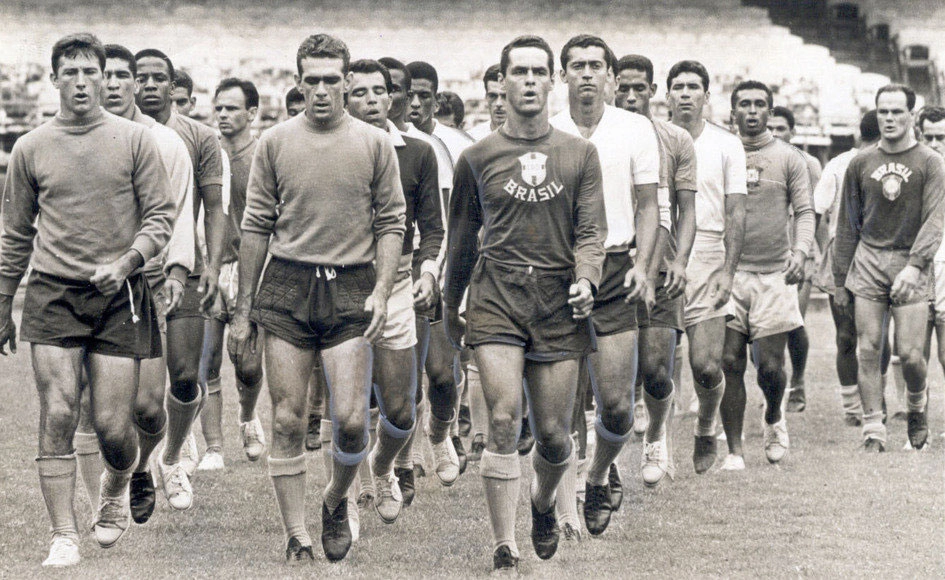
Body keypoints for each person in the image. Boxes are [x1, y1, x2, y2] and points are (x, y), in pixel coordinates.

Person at [229, 33, 406, 563]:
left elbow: (392, 223)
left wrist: (380, 289)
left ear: (347, 82)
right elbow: (256, 224)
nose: (323, 90)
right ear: (299, 81)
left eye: (333, 80)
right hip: (288, 284)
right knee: (287, 418)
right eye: (313, 80)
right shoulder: (276, 142)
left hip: (352, 284)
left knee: (352, 420)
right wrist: (243, 311)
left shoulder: (373, 143)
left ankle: (335, 499)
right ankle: (297, 536)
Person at [0, 33, 175, 568]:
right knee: (57, 410)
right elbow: (14, 234)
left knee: (111, 428)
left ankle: (117, 484)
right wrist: (4, 300)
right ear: (54, 79)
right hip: (53, 293)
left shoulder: (134, 141)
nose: (80, 82)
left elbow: (161, 218)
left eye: (90, 73)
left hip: (120, 294)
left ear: (104, 78)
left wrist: (126, 262)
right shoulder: (30, 147)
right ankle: (63, 535)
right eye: (69, 73)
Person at [445, 34, 606, 573]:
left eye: (540, 72)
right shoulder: (477, 157)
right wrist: (451, 302)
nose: (531, 81)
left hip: (559, 298)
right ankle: (503, 544)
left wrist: (587, 277)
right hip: (498, 295)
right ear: (503, 81)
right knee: (505, 417)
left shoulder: (579, 153)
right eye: (521, 72)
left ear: (552, 81)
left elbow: (590, 231)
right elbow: (463, 237)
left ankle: (542, 504)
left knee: (556, 435)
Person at [71, 43, 197, 527]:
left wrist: (178, 271)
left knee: (147, 406)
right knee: (87, 400)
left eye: (128, 75)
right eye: (115, 75)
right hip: (86, 285)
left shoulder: (164, 143)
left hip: (145, 283)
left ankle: (143, 466)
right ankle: (104, 501)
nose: (121, 84)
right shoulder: (78, 139)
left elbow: (179, 211)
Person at [548, 35, 661, 536]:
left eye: (597, 65)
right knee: (563, 402)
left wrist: (644, 263)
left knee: (615, 407)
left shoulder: (634, 129)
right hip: (556, 270)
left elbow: (649, 204)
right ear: (562, 75)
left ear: (611, 77)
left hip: (616, 269)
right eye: (578, 65)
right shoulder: (544, 129)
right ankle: (565, 501)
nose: (588, 74)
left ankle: (597, 474)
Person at [344, 58, 444, 522]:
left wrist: (427, 272)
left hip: (400, 281)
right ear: (347, 98)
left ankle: (383, 467)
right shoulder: (332, 147)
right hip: (341, 280)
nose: (370, 101)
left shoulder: (419, 153)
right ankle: (347, 495)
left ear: (391, 98)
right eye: (359, 92)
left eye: (378, 92)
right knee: (347, 403)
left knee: (401, 410)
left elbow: (434, 230)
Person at [135, 47, 227, 508]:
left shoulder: (200, 138)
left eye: (159, 78)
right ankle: (156, 460)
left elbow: (214, 208)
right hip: (136, 272)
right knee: (141, 391)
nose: (150, 85)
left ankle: (173, 455)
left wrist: (209, 265)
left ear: (174, 87)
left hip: (183, 265)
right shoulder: (120, 133)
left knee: (187, 374)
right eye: (141, 77)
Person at [833, 84, 945, 452]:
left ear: (912, 115)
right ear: (876, 114)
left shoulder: (930, 162)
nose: (890, 118)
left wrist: (915, 267)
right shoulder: (861, 162)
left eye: (897, 112)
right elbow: (847, 224)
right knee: (868, 348)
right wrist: (839, 280)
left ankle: (916, 407)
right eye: (883, 112)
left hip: (910, 259)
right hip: (869, 260)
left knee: (912, 355)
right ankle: (873, 428)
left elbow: (935, 220)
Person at [718, 81, 815, 470]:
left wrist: (801, 251)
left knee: (771, 368)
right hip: (728, 274)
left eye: (760, 104)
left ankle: (774, 416)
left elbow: (805, 211)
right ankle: (735, 450)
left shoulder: (790, 158)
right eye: (745, 104)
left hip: (774, 273)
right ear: (733, 111)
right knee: (729, 360)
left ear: (770, 111)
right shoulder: (721, 152)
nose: (753, 111)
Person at [614, 53, 697, 487]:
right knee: (605, 373)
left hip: (660, 269)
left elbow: (686, 210)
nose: (630, 97)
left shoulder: (675, 140)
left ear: (653, 92)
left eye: (639, 89)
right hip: (612, 267)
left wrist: (680, 261)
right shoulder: (599, 138)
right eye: (623, 88)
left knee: (656, 369)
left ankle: (658, 435)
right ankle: (601, 454)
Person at [666, 60, 747, 473]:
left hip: (710, 252)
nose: (684, 93)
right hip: (661, 252)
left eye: (692, 86)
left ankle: (705, 423)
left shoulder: (726, 144)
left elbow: (736, 212)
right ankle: (657, 447)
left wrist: (728, 270)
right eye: (677, 86)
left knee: (706, 365)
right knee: (656, 367)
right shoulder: (653, 139)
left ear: (706, 95)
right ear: (666, 95)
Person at [196, 77, 265, 471]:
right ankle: (214, 448)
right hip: (210, 267)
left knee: (249, 365)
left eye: (232, 108)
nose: (222, 115)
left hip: (249, 270)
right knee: (205, 362)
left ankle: (248, 415)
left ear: (251, 113)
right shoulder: (208, 155)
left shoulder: (262, 157)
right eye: (218, 108)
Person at [812, 110, 884, 426]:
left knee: (854, 336)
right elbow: (817, 208)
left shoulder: (891, 162)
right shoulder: (840, 165)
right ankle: (853, 407)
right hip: (844, 255)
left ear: (858, 134)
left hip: (875, 255)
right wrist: (819, 250)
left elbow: (814, 211)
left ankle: (868, 402)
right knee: (859, 335)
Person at [768, 105, 823, 412]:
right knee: (764, 328)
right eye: (771, 128)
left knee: (794, 321)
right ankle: (775, 384)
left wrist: (822, 252)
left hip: (801, 254)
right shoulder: (755, 157)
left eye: (781, 128)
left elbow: (816, 213)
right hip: (766, 254)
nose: (776, 134)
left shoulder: (809, 163)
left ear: (792, 131)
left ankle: (798, 381)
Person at [467, 63, 506, 141]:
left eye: (505, 96)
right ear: (486, 97)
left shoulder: (530, 139)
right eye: (492, 96)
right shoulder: (472, 139)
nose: (498, 103)